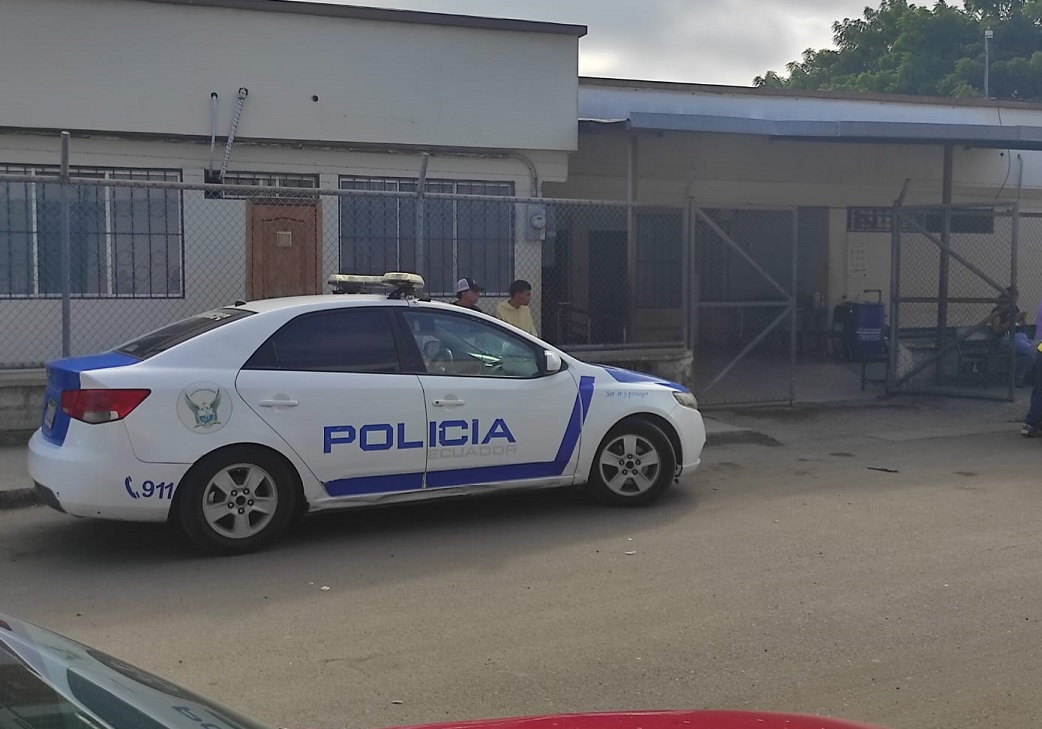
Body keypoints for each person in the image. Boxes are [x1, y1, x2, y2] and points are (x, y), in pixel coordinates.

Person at [988, 290, 1032, 386]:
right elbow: (996, 330)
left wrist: (1022, 320)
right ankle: (1019, 377)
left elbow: (1021, 326)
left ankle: (1033, 377)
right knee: (1031, 350)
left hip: (1021, 336)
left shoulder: (1014, 309)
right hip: (1007, 338)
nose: (1015, 301)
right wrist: (1013, 320)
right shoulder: (997, 312)